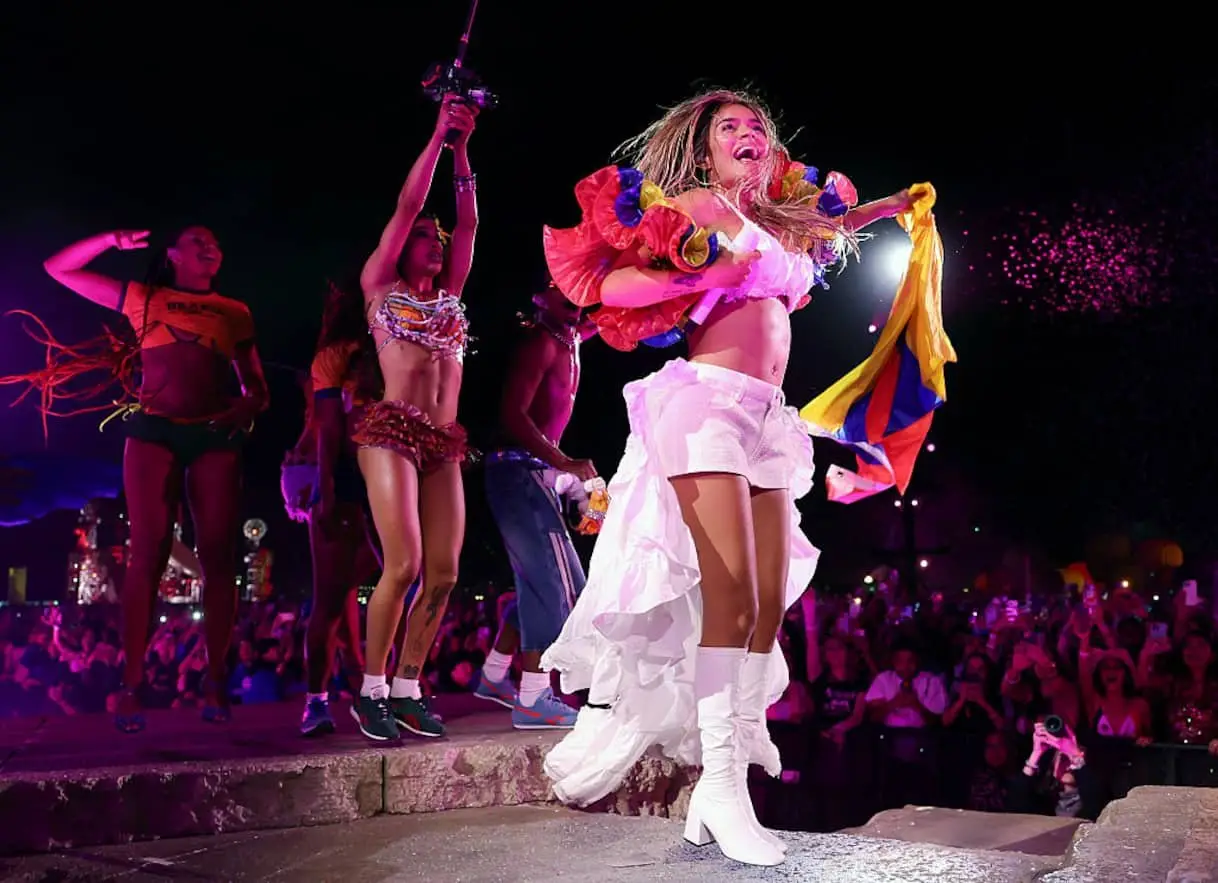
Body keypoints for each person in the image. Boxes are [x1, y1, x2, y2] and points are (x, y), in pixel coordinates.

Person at [538, 89, 916, 866]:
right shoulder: (693, 207)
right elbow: (611, 287)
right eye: (729, 127)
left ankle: (723, 784)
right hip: (705, 404)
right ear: (705, 151)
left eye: (755, 126)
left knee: (767, 602)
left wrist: (885, 208)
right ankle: (721, 784)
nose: (748, 133)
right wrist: (697, 272)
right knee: (732, 593)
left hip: (767, 417)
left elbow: (829, 227)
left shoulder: (776, 220)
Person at [13, 226, 268, 732]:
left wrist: (246, 407)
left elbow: (258, 389)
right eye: (196, 241)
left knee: (218, 556)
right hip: (154, 432)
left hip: (213, 435)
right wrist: (111, 240)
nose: (209, 246)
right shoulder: (144, 298)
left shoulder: (235, 312)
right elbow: (58, 268)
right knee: (147, 551)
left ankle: (216, 679)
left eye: (215, 242)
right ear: (172, 255)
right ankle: (131, 684)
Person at [349, 95, 479, 741]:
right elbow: (407, 206)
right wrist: (437, 136)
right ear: (403, 247)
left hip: (441, 442)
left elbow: (470, 223)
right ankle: (369, 691)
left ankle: (407, 686)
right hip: (391, 432)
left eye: (438, 237)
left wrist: (463, 151)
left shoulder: (451, 296)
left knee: (445, 573)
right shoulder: (381, 286)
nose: (437, 241)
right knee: (403, 565)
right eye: (426, 236)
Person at [474, 281, 599, 729]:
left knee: (547, 583)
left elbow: (618, 315)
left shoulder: (572, 337)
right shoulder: (541, 342)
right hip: (517, 470)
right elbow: (512, 414)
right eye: (558, 285)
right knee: (556, 585)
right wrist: (563, 461)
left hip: (534, 473)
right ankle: (532, 697)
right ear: (539, 297)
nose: (571, 292)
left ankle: (494, 675)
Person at [292, 282, 385, 736]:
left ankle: (386, 688)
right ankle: (316, 701)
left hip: (389, 474)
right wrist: (325, 488)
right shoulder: (337, 357)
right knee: (330, 600)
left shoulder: (394, 342)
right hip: (347, 479)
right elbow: (328, 428)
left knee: (399, 583)